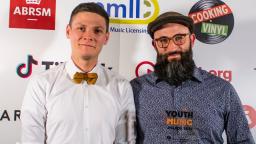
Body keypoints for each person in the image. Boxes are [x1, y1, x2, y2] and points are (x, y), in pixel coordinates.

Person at [130, 11, 255, 143]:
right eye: (163, 41)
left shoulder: (222, 90)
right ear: (155, 46)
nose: (172, 48)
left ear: (192, 40)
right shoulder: (135, 89)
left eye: (179, 38)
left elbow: (243, 140)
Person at [21, 2, 136, 144]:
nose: (88, 36)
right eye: (81, 28)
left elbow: (126, 141)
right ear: (68, 31)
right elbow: (31, 140)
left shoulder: (122, 86)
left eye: (97, 31)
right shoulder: (41, 83)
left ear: (106, 38)